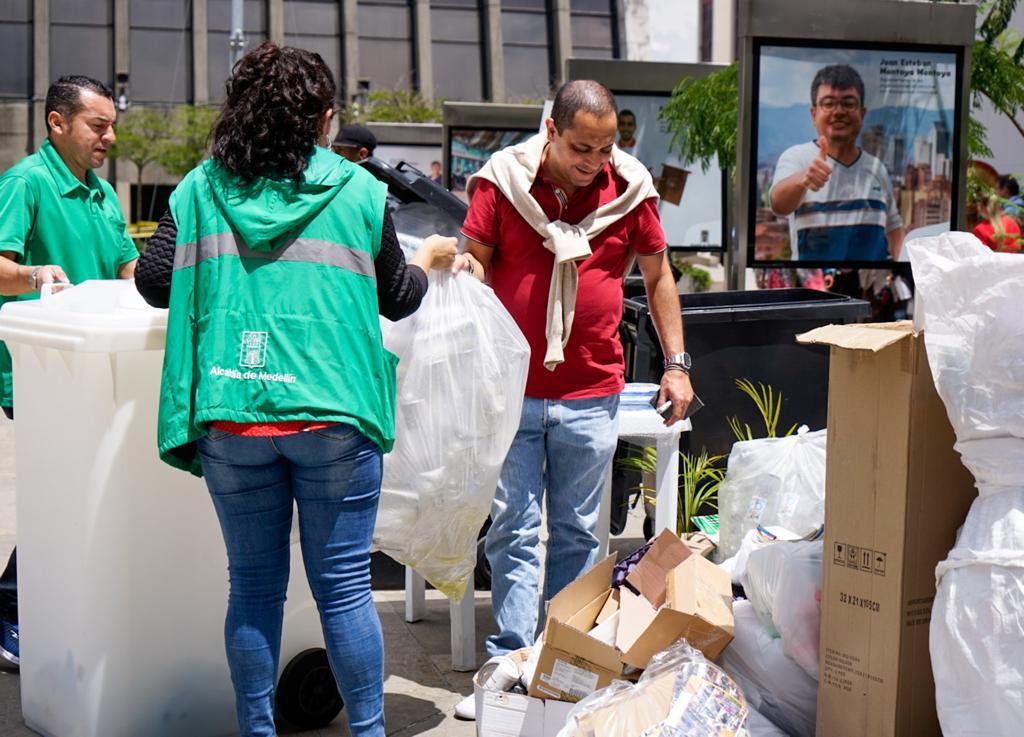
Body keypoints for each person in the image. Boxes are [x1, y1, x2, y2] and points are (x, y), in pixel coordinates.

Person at [134, 42, 456, 737]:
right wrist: (428, 263)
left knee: (253, 586)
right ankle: (367, 731)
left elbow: (155, 281)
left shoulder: (200, 188)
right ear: (324, 118)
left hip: (232, 410)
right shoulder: (359, 190)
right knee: (343, 589)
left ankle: (258, 729)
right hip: (333, 413)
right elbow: (399, 298)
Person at [450, 80, 693, 717]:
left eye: (605, 148)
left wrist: (676, 365)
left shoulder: (631, 189)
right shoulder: (503, 182)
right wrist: (467, 272)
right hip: (512, 388)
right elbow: (475, 259)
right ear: (551, 132)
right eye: (582, 148)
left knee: (580, 533)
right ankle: (509, 663)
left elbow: (658, 276)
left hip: (591, 389)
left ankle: (562, 664)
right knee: (513, 528)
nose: (594, 161)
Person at [0, 75, 139, 669]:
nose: (109, 137)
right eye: (97, 125)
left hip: (96, 366)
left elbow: (129, 269)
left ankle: (55, 606)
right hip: (39, 370)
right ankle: (11, 610)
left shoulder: (103, 194)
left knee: (85, 494)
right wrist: (34, 275)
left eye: (112, 126)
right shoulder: (26, 183)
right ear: (56, 123)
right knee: (60, 495)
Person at [769, 64, 905, 262]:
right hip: (816, 282)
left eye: (848, 104)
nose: (839, 112)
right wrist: (803, 179)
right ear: (814, 114)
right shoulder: (797, 158)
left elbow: (893, 227)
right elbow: (778, 205)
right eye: (828, 104)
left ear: (862, 114)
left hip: (871, 282)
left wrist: (901, 267)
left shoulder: (877, 169)